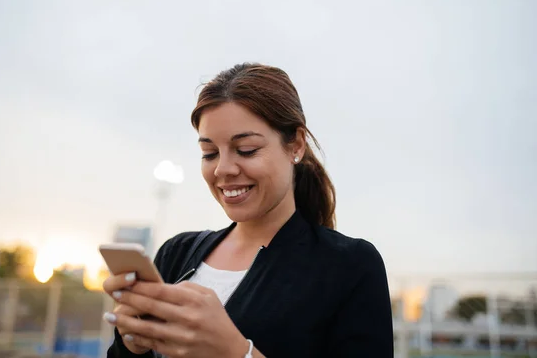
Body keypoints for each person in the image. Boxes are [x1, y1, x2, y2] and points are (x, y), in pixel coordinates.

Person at [103, 63, 393, 357]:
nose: (223, 169)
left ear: (296, 145)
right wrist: (131, 345)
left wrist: (236, 352)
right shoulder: (176, 254)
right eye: (209, 153)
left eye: (246, 150)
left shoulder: (349, 266)